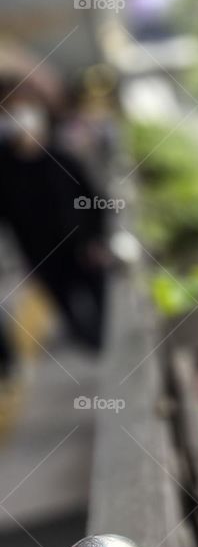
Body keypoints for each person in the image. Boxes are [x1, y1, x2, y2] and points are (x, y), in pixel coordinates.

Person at [0, 90, 110, 352]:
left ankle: (99, 338)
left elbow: (93, 198)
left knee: (96, 290)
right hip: (40, 253)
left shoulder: (62, 159)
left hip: (79, 244)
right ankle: (83, 337)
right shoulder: (6, 172)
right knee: (62, 299)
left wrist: (96, 238)